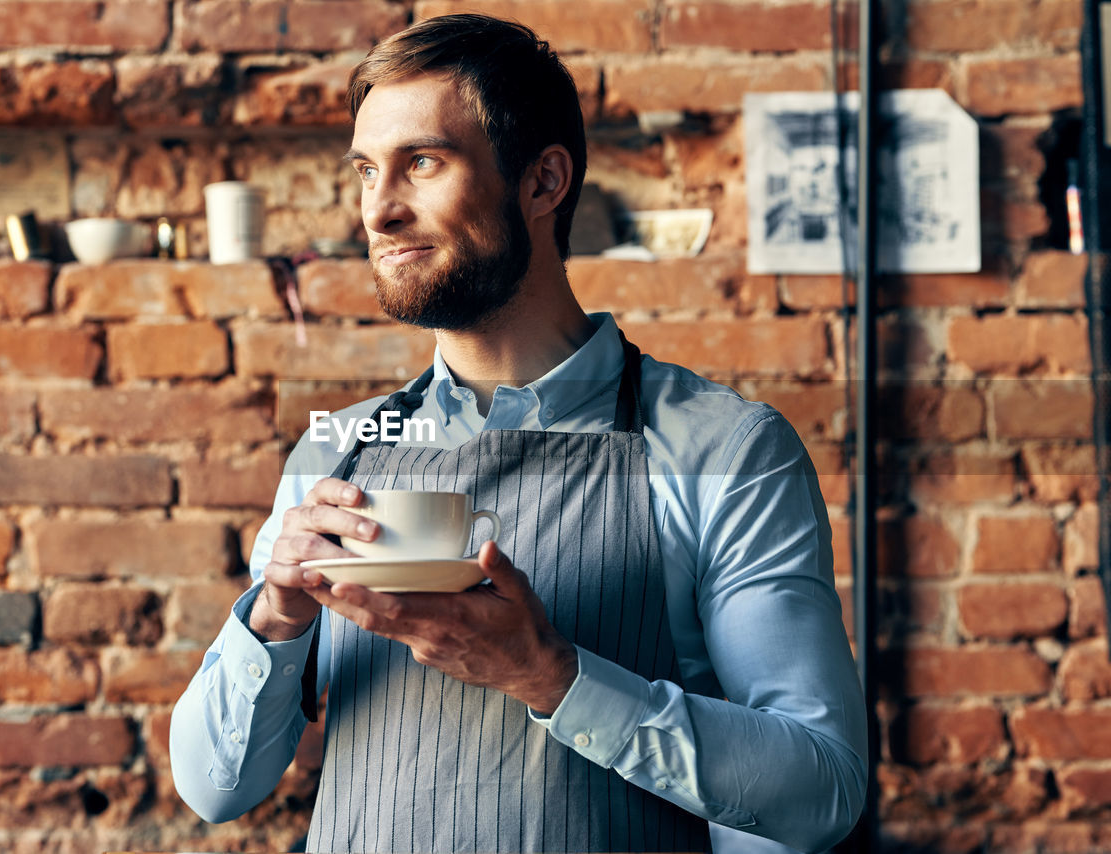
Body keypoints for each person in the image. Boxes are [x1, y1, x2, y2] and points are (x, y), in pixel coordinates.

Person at [170, 13, 867, 853]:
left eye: (421, 163)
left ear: (543, 183)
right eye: (366, 171)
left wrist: (553, 676)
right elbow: (214, 788)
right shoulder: (334, 454)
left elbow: (823, 789)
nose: (380, 212)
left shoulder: (724, 451)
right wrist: (275, 613)